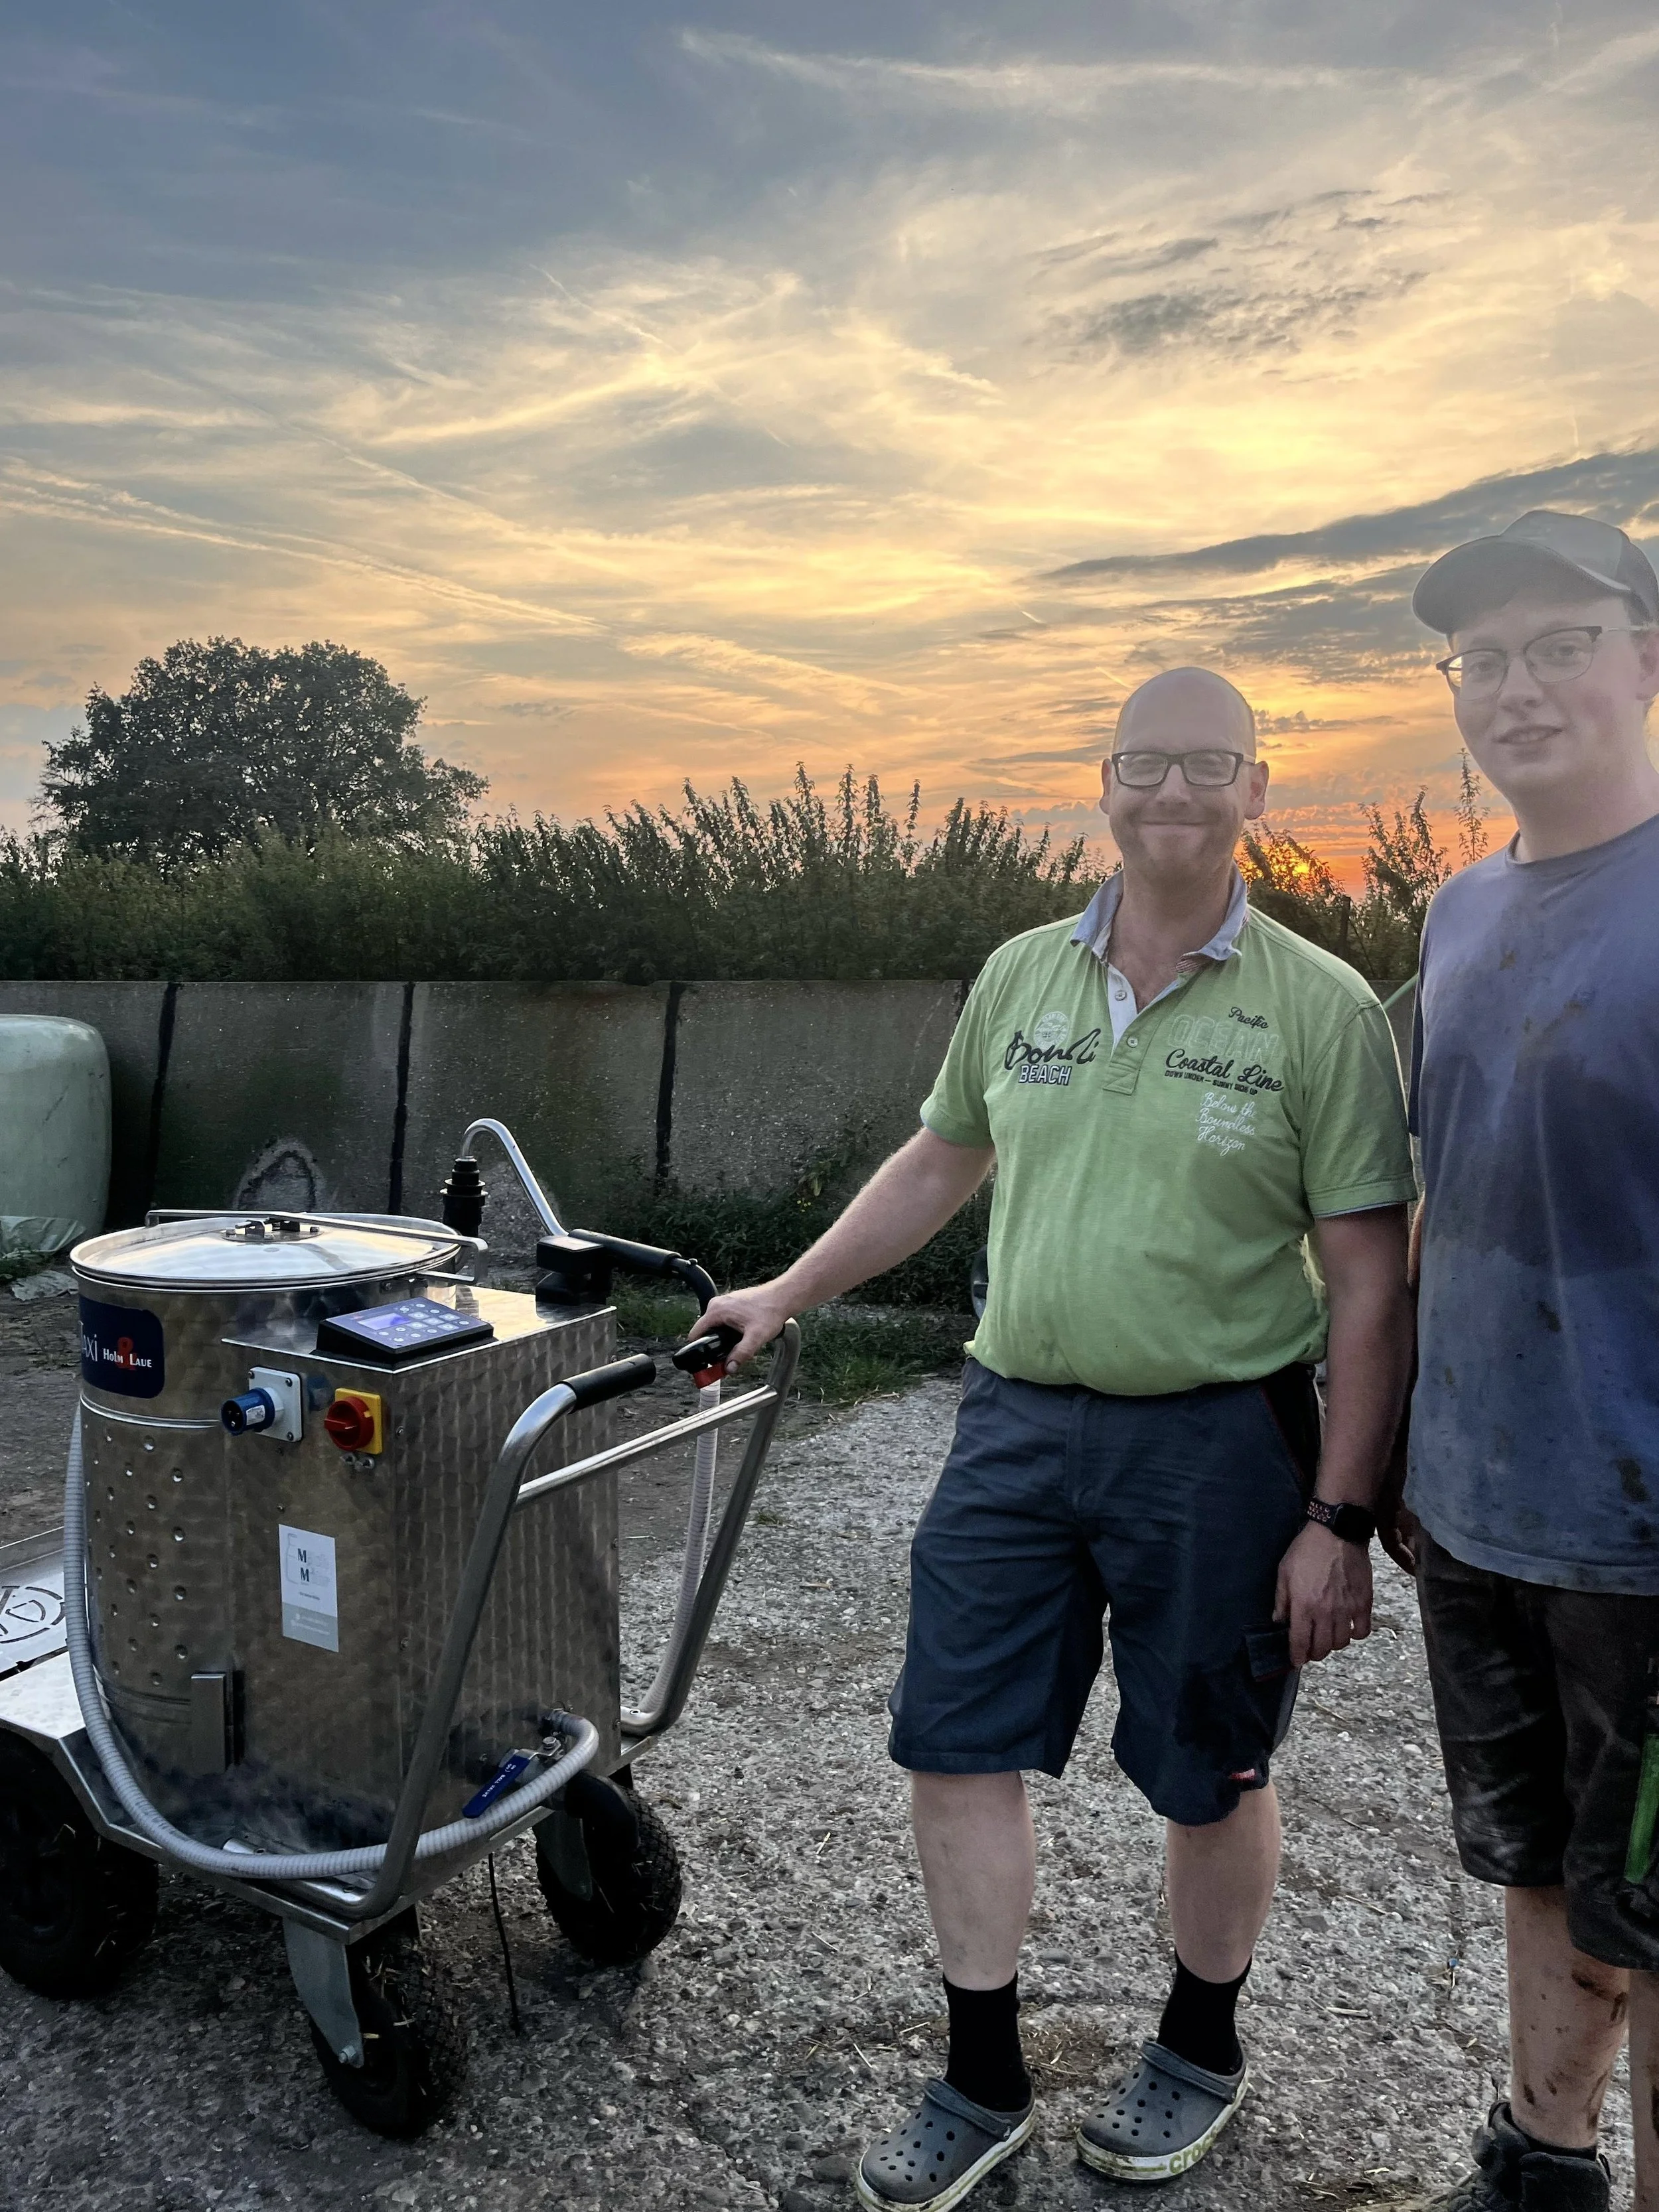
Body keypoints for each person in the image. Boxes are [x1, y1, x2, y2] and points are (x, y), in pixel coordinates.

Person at [703, 666, 1417, 2209]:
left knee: (1205, 1768)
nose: (1174, 792)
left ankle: (1197, 2045)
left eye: (1206, 765)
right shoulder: (1021, 970)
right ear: (1103, 781)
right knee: (954, 1741)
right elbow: (937, 1155)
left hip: (1221, 1442)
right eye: (1146, 763)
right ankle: (977, 2075)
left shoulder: (1322, 1006)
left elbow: (1369, 1282)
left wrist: (1337, 1516)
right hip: (1012, 1424)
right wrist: (784, 1286)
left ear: (1253, 786)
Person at [1386, 511, 1659, 2212]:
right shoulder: (1453, 908)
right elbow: (1441, 1189)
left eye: (1560, 640)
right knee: (1537, 1875)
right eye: (1481, 657)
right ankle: (1539, 2163)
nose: (1516, 686)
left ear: (1644, 657)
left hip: (1645, 1539)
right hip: (1476, 1508)